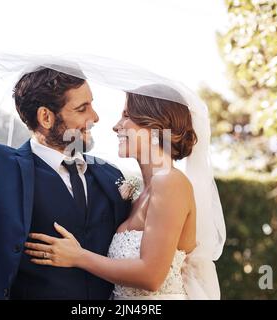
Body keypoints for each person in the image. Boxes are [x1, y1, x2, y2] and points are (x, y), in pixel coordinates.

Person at [0, 42, 131, 299]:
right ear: (46, 117)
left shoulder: (111, 175)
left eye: (91, 105)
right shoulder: (1, 168)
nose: (95, 117)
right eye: (82, 108)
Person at [25, 88, 201, 299]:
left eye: (126, 116)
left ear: (155, 125)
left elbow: (151, 277)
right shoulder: (137, 193)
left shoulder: (170, 182)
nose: (116, 126)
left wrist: (78, 256)